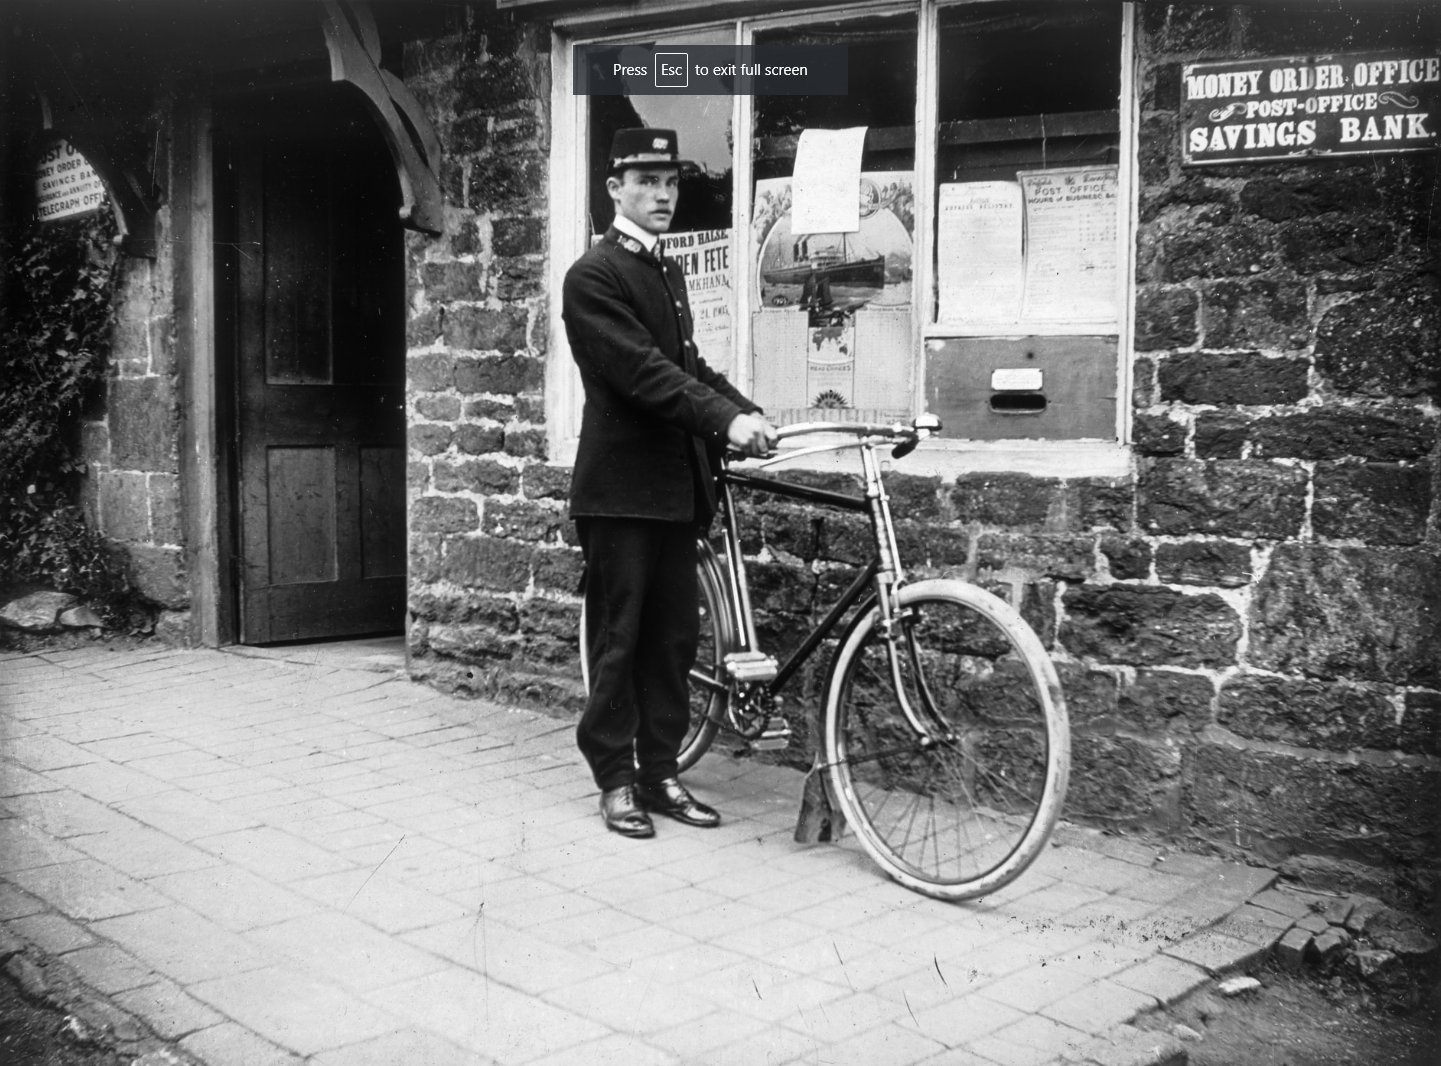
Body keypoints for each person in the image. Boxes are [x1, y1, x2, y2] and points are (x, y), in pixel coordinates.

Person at [562, 128, 776, 839]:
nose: (662, 194)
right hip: (620, 492)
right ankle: (615, 780)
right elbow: (642, 374)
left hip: (674, 491)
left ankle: (658, 774)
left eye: (672, 182)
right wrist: (722, 420)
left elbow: (685, 364)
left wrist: (743, 411)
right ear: (613, 189)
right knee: (619, 641)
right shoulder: (593, 276)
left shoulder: (663, 269)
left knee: (673, 643)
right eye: (646, 180)